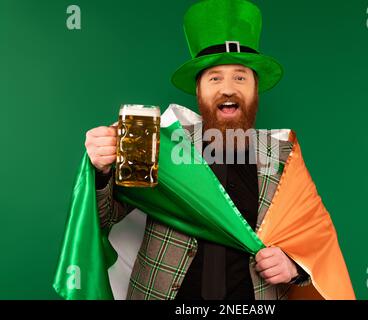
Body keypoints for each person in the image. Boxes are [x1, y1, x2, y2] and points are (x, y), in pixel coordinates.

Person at [85, 0, 313, 300]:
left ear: (256, 89)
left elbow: (313, 243)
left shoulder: (284, 157)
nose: (228, 88)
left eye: (240, 77)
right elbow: (104, 219)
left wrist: (294, 267)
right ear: (199, 91)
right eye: (215, 78)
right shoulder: (161, 141)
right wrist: (101, 172)